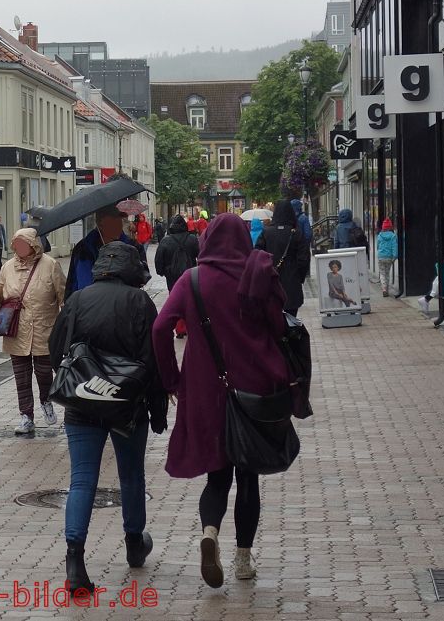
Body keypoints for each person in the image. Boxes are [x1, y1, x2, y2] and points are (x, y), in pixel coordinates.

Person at [151, 215, 291, 587]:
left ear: (208, 239)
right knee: (248, 477)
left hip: (204, 389)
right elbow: (280, 327)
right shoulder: (258, 273)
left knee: (217, 474)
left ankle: (210, 532)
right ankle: (243, 559)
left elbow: (160, 327)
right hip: (255, 388)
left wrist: (171, 379)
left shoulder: (192, 279)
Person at [49, 242, 168, 595]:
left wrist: (85, 376)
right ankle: (134, 541)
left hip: (82, 403)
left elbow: (56, 349)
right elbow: (155, 360)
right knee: (131, 476)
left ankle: (75, 560)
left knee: (82, 481)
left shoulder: (79, 299)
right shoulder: (140, 303)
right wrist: (157, 410)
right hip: (126, 405)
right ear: (133, 267)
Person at [0, 228, 66, 433]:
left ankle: (46, 401)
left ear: (33, 244)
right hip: (16, 329)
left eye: (23, 244)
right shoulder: (8, 267)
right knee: (22, 376)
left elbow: (64, 297)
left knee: (45, 373)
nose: (18, 248)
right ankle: (26, 416)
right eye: (16, 244)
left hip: (44, 330)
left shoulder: (50, 265)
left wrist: (66, 328)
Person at [65, 204, 149, 299]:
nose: (119, 225)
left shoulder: (133, 247)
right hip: (90, 305)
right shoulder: (84, 249)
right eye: (113, 220)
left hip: (124, 304)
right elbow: (78, 283)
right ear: (100, 223)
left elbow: (143, 276)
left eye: (119, 219)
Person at [256, 200, 311, 315]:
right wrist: (299, 277)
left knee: (273, 317)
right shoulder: (296, 233)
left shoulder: (266, 233)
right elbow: (304, 258)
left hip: (271, 281)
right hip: (291, 281)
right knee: (291, 318)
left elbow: (257, 256)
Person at [376, 218, 398, 297]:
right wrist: (395, 256)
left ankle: (384, 289)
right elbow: (394, 247)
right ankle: (387, 290)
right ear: (390, 227)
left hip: (381, 257)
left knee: (382, 274)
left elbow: (378, 246)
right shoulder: (393, 236)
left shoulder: (379, 236)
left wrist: (379, 252)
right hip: (389, 257)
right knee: (387, 273)